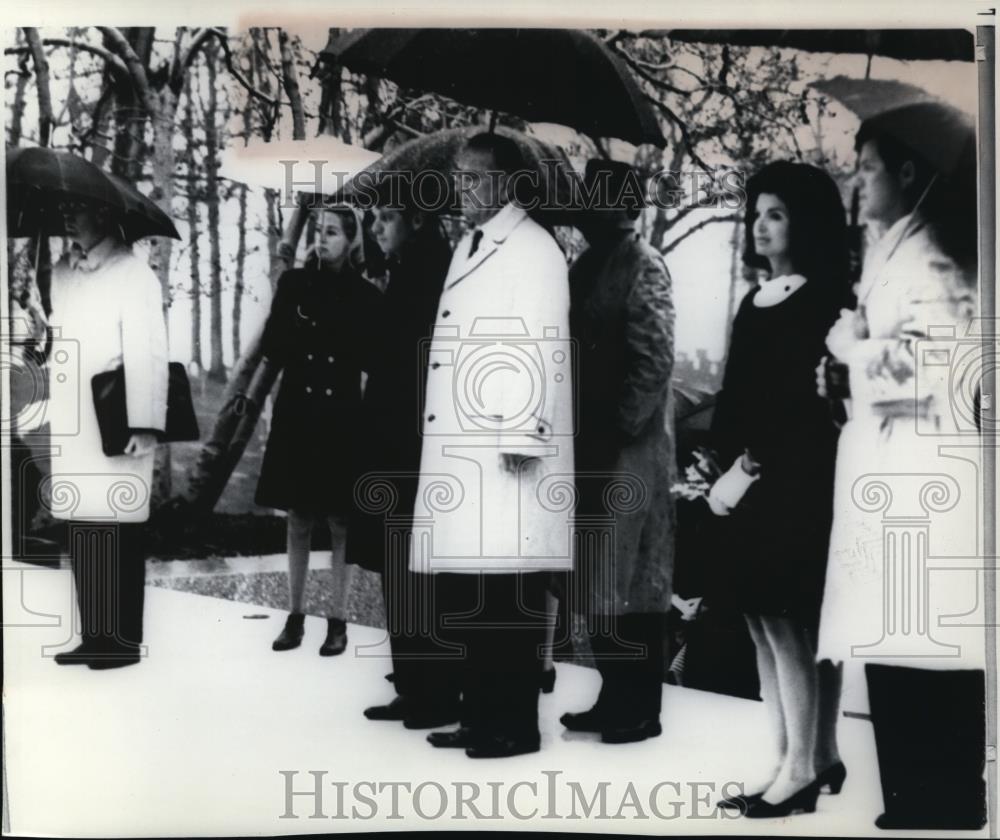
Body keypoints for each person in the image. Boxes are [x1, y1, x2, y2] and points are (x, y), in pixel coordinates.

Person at [816, 106, 985, 831]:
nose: (857, 181)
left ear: (911, 172)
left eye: (869, 166)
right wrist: (838, 372)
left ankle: (940, 803)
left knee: (924, 645)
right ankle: (912, 800)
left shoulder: (939, 255)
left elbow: (933, 367)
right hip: (892, 471)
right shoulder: (896, 247)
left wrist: (853, 350)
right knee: (893, 638)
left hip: (924, 482)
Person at [411, 132, 574, 759]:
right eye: (458, 177)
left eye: (474, 178)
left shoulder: (533, 249)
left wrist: (521, 430)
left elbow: (542, 341)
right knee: (473, 592)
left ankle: (515, 725)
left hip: (506, 451)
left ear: (507, 183)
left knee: (508, 593)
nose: (461, 188)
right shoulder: (470, 245)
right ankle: (479, 715)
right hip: (466, 447)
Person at [707, 162, 848, 817]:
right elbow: (738, 393)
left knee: (790, 623)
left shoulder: (821, 300)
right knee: (764, 625)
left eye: (778, 214)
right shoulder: (755, 300)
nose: (761, 226)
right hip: (752, 476)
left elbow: (802, 402)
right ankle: (796, 758)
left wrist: (755, 462)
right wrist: (731, 461)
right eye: (758, 213)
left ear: (807, 224)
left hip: (795, 480)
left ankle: (803, 764)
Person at [559, 159, 677, 744]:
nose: (589, 210)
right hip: (585, 446)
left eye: (601, 199)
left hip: (630, 450)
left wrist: (619, 426)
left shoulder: (644, 263)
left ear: (625, 206)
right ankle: (612, 694)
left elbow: (654, 359)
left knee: (633, 580)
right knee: (595, 578)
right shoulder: (583, 265)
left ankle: (641, 708)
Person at [347, 188, 459, 729]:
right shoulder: (408, 267)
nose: (376, 227)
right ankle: (414, 684)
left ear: (417, 218)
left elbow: (394, 352)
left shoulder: (430, 270)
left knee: (416, 567)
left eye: (386, 217)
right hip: (396, 439)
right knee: (403, 566)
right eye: (373, 218)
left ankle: (430, 690)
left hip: (411, 444)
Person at [47, 197, 168, 669]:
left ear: (103, 215)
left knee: (117, 526)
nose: (68, 215)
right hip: (74, 419)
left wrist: (146, 421)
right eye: (66, 208)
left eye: (77, 208)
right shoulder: (63, 270)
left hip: (116, 417)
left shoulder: (134, 274)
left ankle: (122, 641)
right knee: (82, 526)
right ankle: (94, 634)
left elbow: (149, 351)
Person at [256, 206, 382, 655]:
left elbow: (373, 362)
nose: (322, 239)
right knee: (298, 517)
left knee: (340, 521)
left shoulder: (366, 296)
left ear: (351, 239)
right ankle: (294, 615)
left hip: (340, 419)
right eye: (317, 231)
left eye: (332, 232)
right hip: (298, 413)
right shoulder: (295, 285)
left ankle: (339, 619)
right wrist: (299, 298)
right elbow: (274, 348)